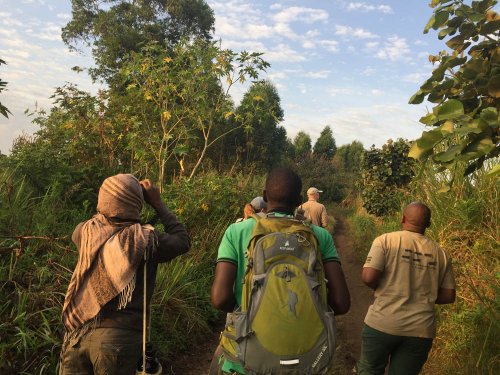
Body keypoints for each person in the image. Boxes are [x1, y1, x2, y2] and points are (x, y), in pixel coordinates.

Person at [210, 168, 350, 374]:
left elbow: (220, 299)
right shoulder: (320, 236)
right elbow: (341, 303)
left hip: (244, 358)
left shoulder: (236, 231)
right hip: (305, 358)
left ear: (265, 196)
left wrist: (247, 313)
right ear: (299, 200)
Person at [59, 174, 190, 374]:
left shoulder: (83, 232)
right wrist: (157, 203)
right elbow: (182, 241)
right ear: (137, 203)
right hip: (119, 340)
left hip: (78, 335)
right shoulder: (146, 240)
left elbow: (104, 218)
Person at [357, 202, 456, 375]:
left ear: (403, 219)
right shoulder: (441, 253)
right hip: (420, 331)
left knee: (370, 370)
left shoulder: (386, 240)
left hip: (382, 323)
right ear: (429, 224)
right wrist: (424, 294)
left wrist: (385, 288)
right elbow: (448, 295)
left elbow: (368, 277)